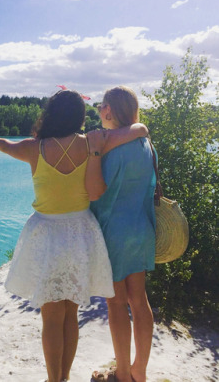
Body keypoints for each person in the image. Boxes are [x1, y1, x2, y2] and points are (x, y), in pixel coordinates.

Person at [0, 89, 147, 382]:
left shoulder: (34, 148)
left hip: (47, 235)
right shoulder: (92, 143)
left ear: (51, 114)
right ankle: (65, 377)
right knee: (71, 313)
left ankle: (54, 380)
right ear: (79, 117)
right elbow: (131, 132)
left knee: (51, 317)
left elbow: (6, 145)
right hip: (81, 234)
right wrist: (142, 127)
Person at [86, 86, 156, 382]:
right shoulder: (145, 143)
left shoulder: (106, 144)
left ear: (110, 110)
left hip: (113, 232)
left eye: (102, 105)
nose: (99, 109)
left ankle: (124, 374)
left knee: (115, 302)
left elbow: (94, 192)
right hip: (141, 229)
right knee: (139, 300)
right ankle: (140, 370)